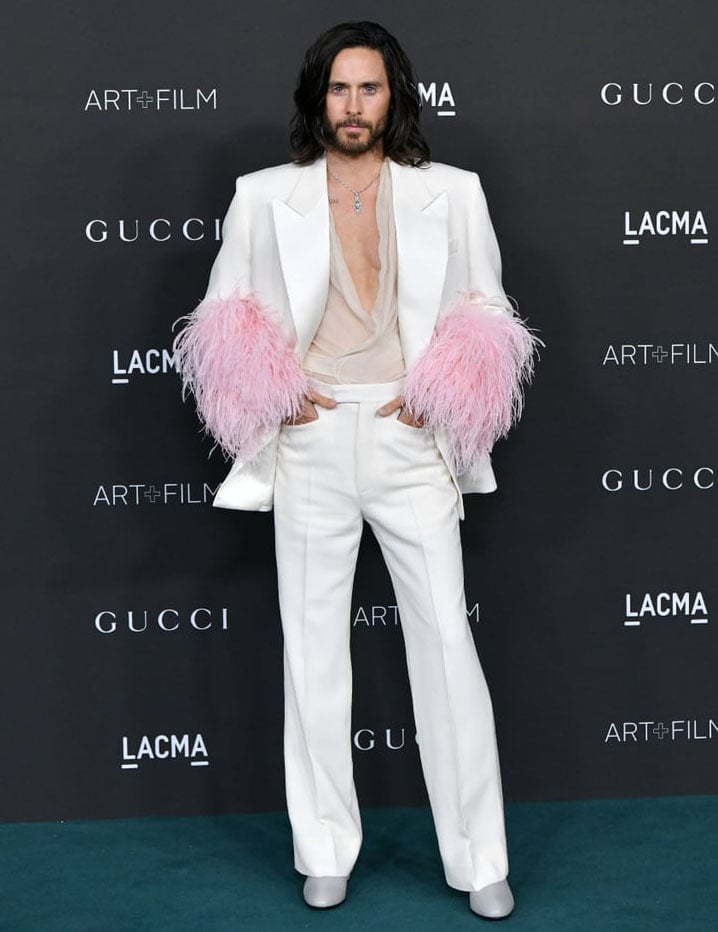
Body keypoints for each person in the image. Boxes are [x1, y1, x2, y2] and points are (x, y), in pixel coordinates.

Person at [174, 20, 538, 920]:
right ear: (317, 98)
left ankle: (480, 859)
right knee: (313, 652)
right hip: (312, 440)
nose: (352, 105)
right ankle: (324, 849)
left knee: (447, 648)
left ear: (393, 96)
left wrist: (445, 390)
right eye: (338, 89)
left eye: (368, 89)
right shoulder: (263, 197)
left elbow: (485, 308)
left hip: (410, 438)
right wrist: (273, 393)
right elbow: (225, 313)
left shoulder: (452, 194)